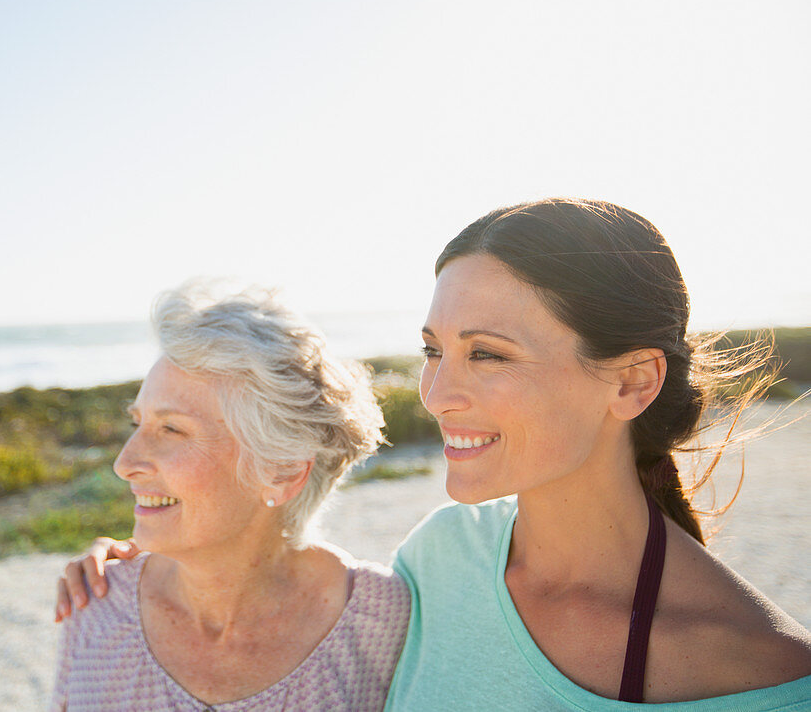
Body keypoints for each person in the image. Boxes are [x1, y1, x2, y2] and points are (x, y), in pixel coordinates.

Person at [57, 199, 811, 709]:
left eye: (486, 354)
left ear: (633, 381)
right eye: (432, 351)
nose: (437, 393)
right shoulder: (439, 563)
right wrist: (156, 550)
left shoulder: (767, 673)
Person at [49, 283, 410, 711]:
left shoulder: (383, 623)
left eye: (171, 429)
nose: (125, 463)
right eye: (137, 424)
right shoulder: (95, 607)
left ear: (283, 470)